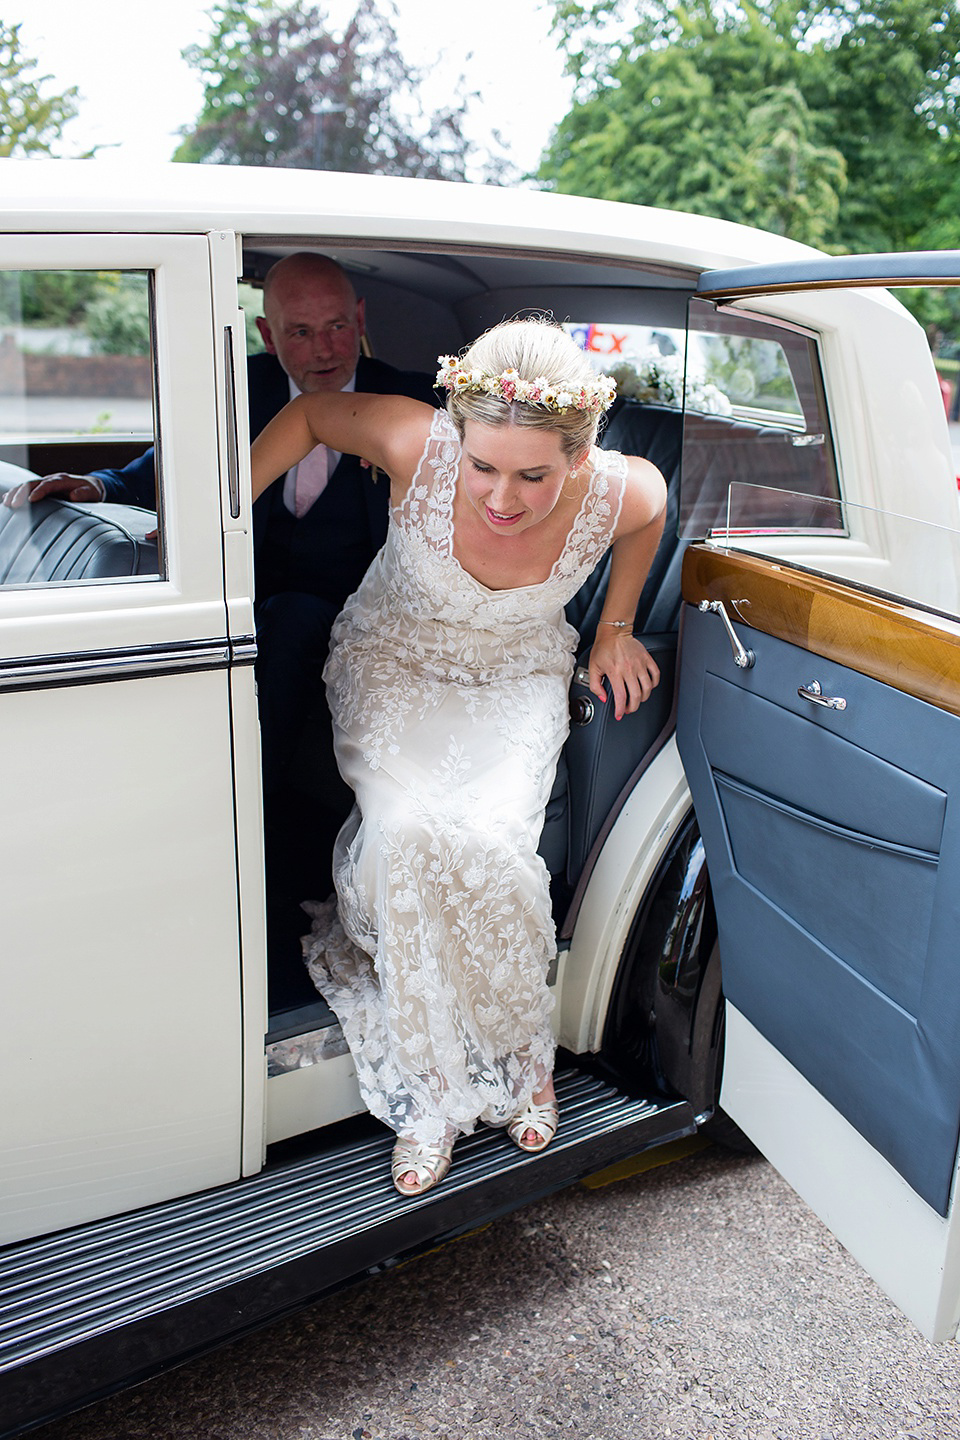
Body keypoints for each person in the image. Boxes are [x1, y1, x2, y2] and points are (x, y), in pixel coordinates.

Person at [250, 317, 667, 1199]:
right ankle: (430, 1099)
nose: (502, 499)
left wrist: (618, 625)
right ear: (457, 439)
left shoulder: (623, 490)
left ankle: (524, 1056)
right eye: (482, 467)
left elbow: (651, 516)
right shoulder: (412, 439)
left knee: (493, 846)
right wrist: (221, 507)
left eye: (533, 475)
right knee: (405, 833)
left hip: (515, 677)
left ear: (581, 456)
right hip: (393, 662)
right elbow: (317, 413)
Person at [3, 253, 439, 1008]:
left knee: (296, 620)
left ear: (360, 320)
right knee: (266, 621)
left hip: (366, 615)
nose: (326, 348)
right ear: (270, 334)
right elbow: (167, 463)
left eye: (339, 325)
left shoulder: (412, 400)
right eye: (302, 332)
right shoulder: (246, 386)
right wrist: (101, 487)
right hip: (250, 605)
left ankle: (240, 807)